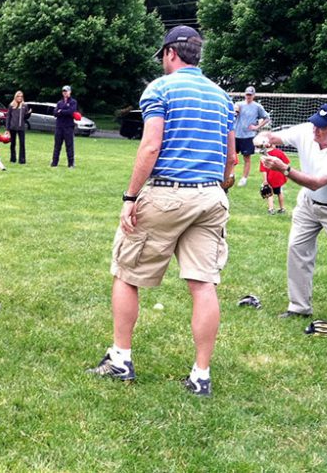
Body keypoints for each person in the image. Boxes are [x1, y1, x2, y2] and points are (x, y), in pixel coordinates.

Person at [87, 26, 236, 397]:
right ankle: (201, 374)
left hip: (169, 193)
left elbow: (151, 146)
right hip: (211, 197)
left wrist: (130, 196)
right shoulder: (222, 98)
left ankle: (121, 359)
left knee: (126, 273)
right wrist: (221, 182)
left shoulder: (161, 88)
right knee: (203, 284)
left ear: (171, 53)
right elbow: (230, 159)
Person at [255, 104, 327, 331]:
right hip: (309, 203)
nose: (315, 131)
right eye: (315, 124)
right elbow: (272, 136)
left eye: (321, 128)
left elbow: (316, 182)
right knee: (297, 247)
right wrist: (262, 138)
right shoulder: (307, 130)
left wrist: (285, 170)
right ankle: (299, 307)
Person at [234, 86, 269, 187]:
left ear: (253, 95)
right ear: (245, 94)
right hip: (236, 134)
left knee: (246, 158)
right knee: (232, 157)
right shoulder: (238, 104)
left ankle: (244, 178)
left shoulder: (257, 107)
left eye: (250, 94)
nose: (248, 96)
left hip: (248, 136)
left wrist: (257, 127)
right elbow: (233, 112)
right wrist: (235, 112)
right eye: (247, 94)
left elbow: (266, 118)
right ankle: (230, 176)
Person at [51, 85, 77, 168]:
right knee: (57, 145)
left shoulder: (73, 102)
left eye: (66, 91)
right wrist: (61, 111)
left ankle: (71, 164)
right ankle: (54, 163)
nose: (65, 93)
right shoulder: (59, 102)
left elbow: (71, 112)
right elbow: (55, 113)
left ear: (70, 92)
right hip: (59, 126)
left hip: (68, 127)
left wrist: (61, 111)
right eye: (63, 91)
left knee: (69, 146)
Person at [259, 146, 290, 214]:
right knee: (279, 192)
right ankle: (282, 208)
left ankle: (271, 209)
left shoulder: (264, 156)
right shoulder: (279, 152)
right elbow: (287, 164)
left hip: (270, 177)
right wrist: (286, 174)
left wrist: (265, 180)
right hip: (279, 177)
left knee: (269, 193)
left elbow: (264, 170)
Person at [5, 90, 32, 164]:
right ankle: (13, 159)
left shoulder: (24, 105)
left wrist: (29, 113)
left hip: (21, 128)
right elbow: (8, 117)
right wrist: (7, 129)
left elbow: (25, 117)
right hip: (12, 127)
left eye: (21, 96)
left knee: (22, 143)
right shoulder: (11, 105)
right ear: (15, 97)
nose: (20, 98)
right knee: (13, 144)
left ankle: (22, 160)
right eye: (18, 96)